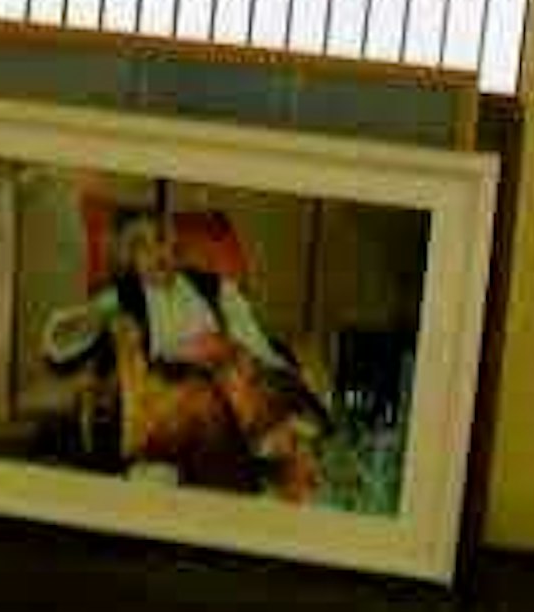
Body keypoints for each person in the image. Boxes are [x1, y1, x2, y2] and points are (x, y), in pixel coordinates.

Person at [37, 201, 336, 492]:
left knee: (231, 362)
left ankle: (273, 439)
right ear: (127, 256)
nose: (159, 254)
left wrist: (282, 379)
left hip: (230, 383)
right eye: (143, 247)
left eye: (165, 242)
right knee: (214, 382)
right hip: (165, 395)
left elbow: (254, 343)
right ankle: (263, 438)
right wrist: (94, 317)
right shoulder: (122, 296)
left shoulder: (214, 287)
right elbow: (60, 344)